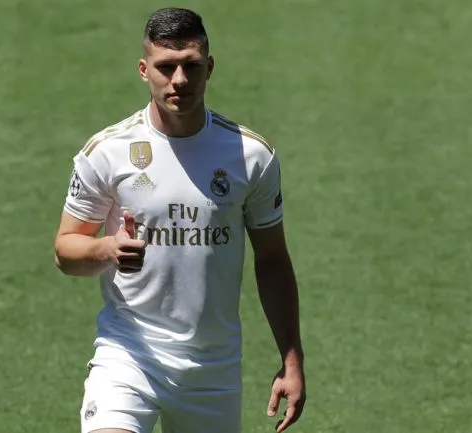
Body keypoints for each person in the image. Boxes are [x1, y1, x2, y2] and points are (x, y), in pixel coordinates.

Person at [54, 7, 306, 433]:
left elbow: (273, 260)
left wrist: (292, 360)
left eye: (191, 66)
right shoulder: (108, 152)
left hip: (213, 368)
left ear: (209, 67)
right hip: (129, 352)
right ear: (143, 69)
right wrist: (106, 248)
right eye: (165, 67)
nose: (180, 80)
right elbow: (66, 249)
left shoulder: (250, 155)